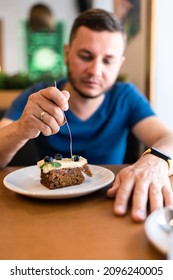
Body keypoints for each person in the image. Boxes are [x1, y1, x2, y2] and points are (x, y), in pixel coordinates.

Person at [0, 8, 173, 222]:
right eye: (85, 56)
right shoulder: (37, 97)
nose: (95, 70)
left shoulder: (126, 97)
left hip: (110, 208)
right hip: (43, 212)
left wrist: (155, 160)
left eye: (108, 60)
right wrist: (20, 129)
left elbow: (168, 138)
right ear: (66, 53)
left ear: (120, 64)